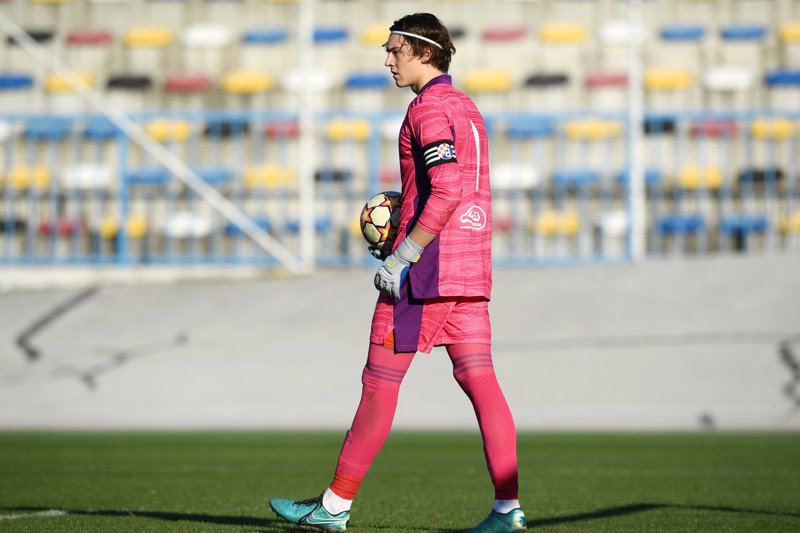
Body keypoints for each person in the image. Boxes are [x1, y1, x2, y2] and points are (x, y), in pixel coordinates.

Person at [270, 12, 526, 533]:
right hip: (470, 268)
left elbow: (447, 188)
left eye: (395, 51)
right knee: (482, 382)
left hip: (427, 273)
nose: (387, 60)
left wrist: (404, 253)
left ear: (424, 53)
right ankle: (508, 509)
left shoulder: (427, 108)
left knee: (379, 382)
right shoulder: (468, 108)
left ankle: (334, 506)